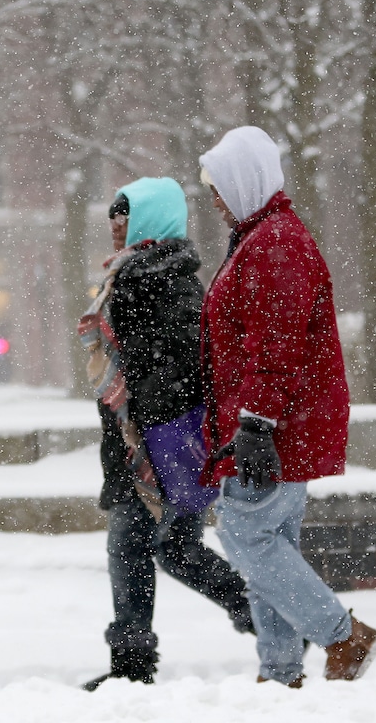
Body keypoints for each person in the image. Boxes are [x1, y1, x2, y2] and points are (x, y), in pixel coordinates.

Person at [197, 126, 376, 688]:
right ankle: (280, 672)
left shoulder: (275, 244)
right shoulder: (264, 237)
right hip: (271, 422)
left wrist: (256, 421)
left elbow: (277, 344)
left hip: (271, 426)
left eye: (219, 186)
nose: (214, 199)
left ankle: (342, 635)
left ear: (245, 181)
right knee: (270, 548)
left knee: (244, 537)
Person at [78, 177, 254, 691]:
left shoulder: (156, 277)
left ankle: (131, 665)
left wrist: (145, 414)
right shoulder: (149, 271)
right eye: (113, 215)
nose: (115, 225)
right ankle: (267, 617)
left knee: (130, 546)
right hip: (158, 438)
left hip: (154, 444)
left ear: (149, 220)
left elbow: (183, 362)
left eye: (124, 215)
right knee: (175, 548)